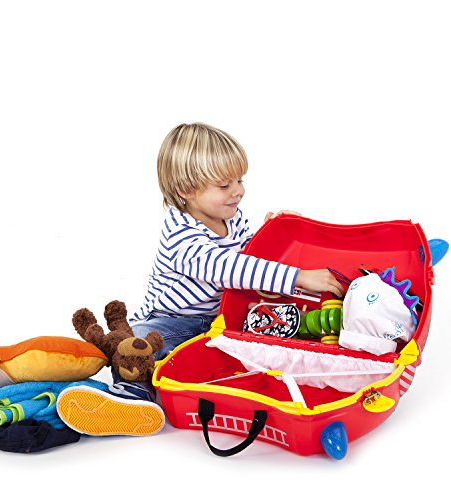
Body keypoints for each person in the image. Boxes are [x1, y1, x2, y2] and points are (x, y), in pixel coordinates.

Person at [56, 123, 344, 437]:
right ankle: (130, 398)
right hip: (174, 320)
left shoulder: (232, 217)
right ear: (186, 190)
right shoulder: (181, 235)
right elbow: (228, 268)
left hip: (223, 318)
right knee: (138, 344)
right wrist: (298, 276)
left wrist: (272, 235)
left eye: (240, 180)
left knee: (273, 331)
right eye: (224, 185)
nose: (238, 191)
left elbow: (250, 259)